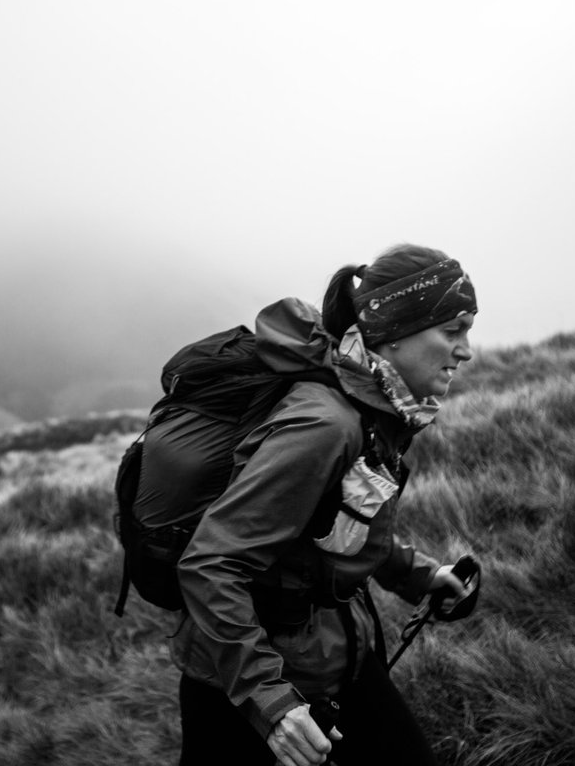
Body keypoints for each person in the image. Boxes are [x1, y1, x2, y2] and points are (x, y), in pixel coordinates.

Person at [171, 244, 478, 765]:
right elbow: (209, 563)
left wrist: (419, 575)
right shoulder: (325, 424)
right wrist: (272, 706)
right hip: (248, 686)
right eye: (453, 330)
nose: (466, 350)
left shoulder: (374, 403)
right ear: (396, 332)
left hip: (336, 655)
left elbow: (337, 524)